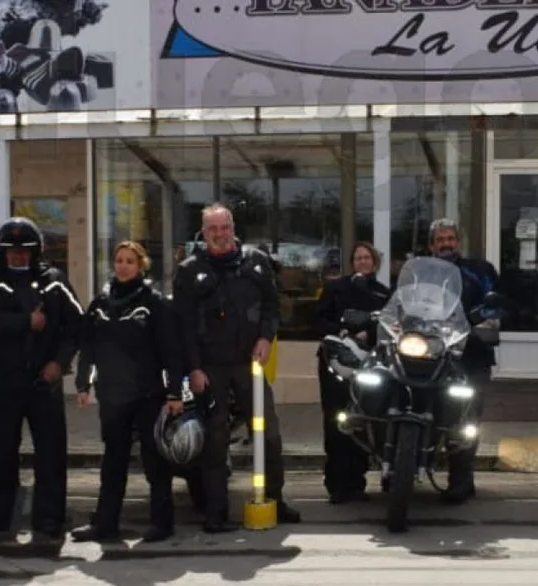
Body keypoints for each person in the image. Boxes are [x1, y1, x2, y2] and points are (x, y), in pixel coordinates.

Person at [173, 202, 300, 532]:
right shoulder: (188, 270)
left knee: (268, 434)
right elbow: (183, 326)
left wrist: (266, 338)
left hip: (249, 366)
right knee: (214, 440)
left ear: (233, 227)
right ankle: (216, 513)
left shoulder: (255, 262)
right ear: (204, 233)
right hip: (211, 369)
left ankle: (275, 498)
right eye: (212, 229)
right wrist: (194, 369)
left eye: (224, 227)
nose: (219, 234)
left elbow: (273, 307)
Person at [0, 216, 82, 540]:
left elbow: (76, 326)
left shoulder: (55, 280)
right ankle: (0, 516)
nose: (18, 256)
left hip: (43, 383)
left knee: (51, 454)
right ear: (1, 252)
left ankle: (50, 519)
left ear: (37, 251)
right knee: (1, 454)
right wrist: (25, 322)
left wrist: (59, 364)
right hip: (3, 384)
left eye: (25, 251)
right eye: (11, 251)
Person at [72, 241, 184, 543]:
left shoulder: (155, 303)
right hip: (112, 396)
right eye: (119, 260)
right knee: (113, 462)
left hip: (148, 395)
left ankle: (162, 523)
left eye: (130, 261)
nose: (123, 266)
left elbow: (172, 352)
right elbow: (88, 347)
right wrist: (83, 384)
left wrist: (175, 394)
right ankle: (105, 525)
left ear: (141, 265)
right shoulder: (101, 304)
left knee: (154, 462)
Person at [427, 218, 500, 504]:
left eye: (450, 239)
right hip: (430, 355)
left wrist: (478, 319)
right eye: (440, 239)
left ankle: (461, 479)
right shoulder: (424, 272)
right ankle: (403, 468)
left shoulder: (479, 270)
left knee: (465, 417)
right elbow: (404, 302)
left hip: (472, 356)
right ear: (431, 245)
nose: (446, 244)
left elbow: (495, 301)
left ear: (458, 241)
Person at [314, 241, 391, 503]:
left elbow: (390, 327)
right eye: (357, 258)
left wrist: (368, 333)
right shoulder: (335, 288)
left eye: (367, 257)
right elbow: (318, 320)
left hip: (369, 365)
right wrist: (342, 331)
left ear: (375, 261)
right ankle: (337, 485)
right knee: (337, 421)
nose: (362, 262)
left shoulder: (383, 293)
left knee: (363, 421)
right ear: (351, 262)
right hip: (335, 364)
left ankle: (357, 484)